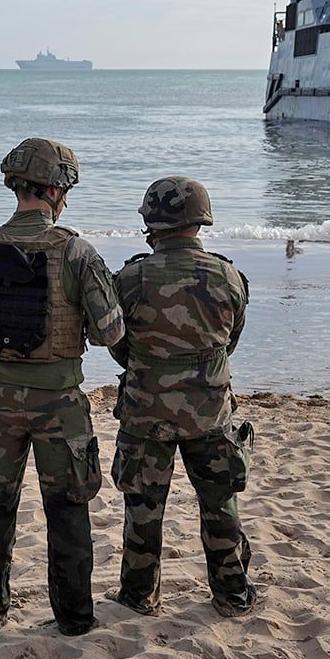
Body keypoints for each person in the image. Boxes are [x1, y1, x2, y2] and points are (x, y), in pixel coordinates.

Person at [0, 138, 125, 637]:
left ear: (17, 185)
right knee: (68, 508)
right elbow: (110, 332)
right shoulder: (77, 252)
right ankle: (75, 620)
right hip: (61, 403)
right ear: (58, 190)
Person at [108, 177, 257, 619]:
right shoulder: (228, 276)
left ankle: (139, 597)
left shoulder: (131, 278)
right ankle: (232, 594)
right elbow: (230, 342)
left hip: (145, 414)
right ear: (200, 220)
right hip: (210, 413)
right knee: (220, 506)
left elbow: (119, 347)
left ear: (152, 223)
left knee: (143, 508)